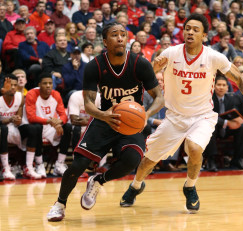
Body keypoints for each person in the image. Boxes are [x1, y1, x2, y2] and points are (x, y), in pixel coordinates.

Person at [120, 13, 243, 213]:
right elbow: (149, 70)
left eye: (195, 30)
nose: (190, 32)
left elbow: (240, 79)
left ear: (204, 36)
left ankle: (189, 186)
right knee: (149, 160)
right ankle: (136, 186)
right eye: (187, 28)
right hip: (174, 118)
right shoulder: (171, 53)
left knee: (194, 147)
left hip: (202, 117)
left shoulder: (214, 57)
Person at [46, 22, 164, 221]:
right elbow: (89, 103)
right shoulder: (95, 66)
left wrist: (145, 115)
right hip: (105, 119)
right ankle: (59, 204)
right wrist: (104, 116)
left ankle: (99, 181)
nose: (120, 38)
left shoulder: (140, 64)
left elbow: (159, 97)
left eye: (123, 35)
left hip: (131, 123)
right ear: (104, 41)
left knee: (132, 161)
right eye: (114, 35)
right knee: (77, 165)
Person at [24, 72, 72, 178]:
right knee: (37, 127)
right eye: (45, 83)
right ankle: (39, 164)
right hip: (35, 127)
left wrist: (59, 122)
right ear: (39, 84)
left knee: (67, 127)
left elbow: (63, 115)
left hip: (50, 127)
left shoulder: (56, 94)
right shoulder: (32, 94)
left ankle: (59, 164)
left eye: (50, 83)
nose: (48, 85)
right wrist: (50, 122)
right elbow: (31, 118)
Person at [0, 75, 42, 180]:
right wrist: (10, 119)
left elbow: (19, 121)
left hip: (13, 127)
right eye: (10, 85)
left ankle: (28, 167)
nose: (13, 87)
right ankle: (5, 168)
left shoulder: (19, 97)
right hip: (2, 128)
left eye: (15, 85)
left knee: (33, 129)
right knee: (4, 129)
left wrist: (17, 119)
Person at [203, 75, 243, 172]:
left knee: (241, 127)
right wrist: (226, 122)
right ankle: (211, 160)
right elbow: (209, 116)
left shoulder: (232, 98)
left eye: (224, 85)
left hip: (227, 128)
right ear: (214, 86)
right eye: (219, 85)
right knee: (210, 127)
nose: (221, 87)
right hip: (214, 127)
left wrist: (238, 120)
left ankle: (238, 158)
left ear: (227, 87)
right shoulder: (208, 98)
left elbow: (234, 114)